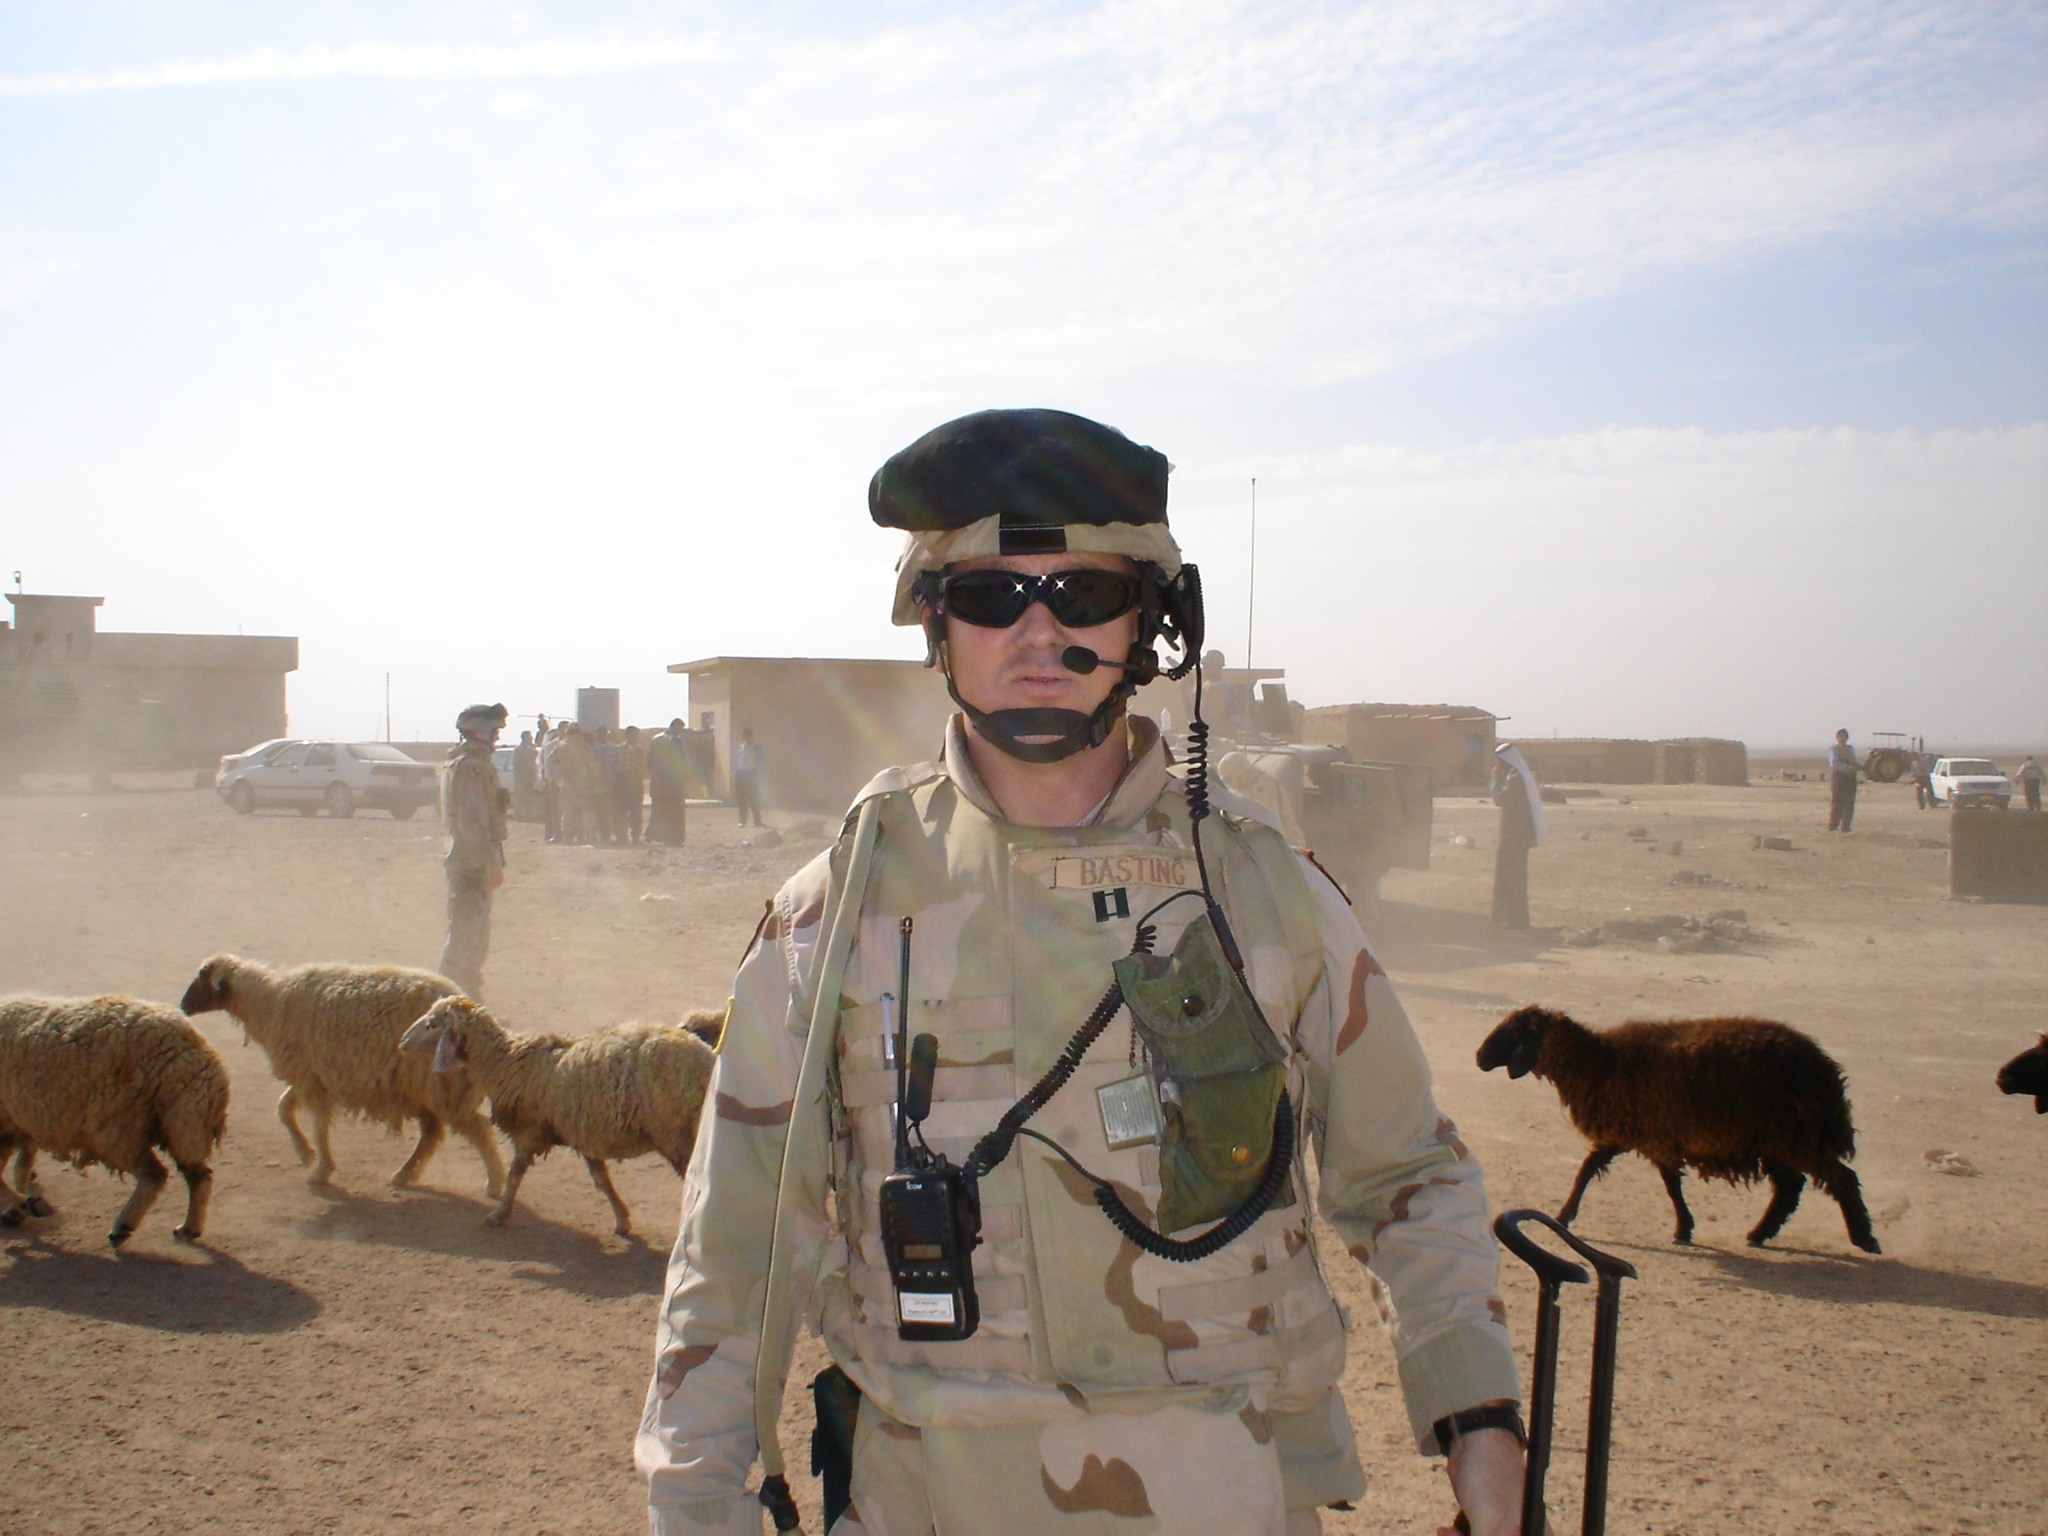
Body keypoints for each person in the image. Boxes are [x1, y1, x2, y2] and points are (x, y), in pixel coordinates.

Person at [638, 409, 1524, 1536]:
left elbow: (1406, 1173)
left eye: (1084, 595)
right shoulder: (838, 909)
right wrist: (697, 1504)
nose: (1038, 632)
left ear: (1153, 624)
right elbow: (737, 1249)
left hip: (1231, 1497)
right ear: (934, 624)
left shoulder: (1263, 891)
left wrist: (1476, 1418)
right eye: (992, 597)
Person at [441, 702, 508, 999]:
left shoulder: (470, 764)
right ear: (480, 731)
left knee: (473, 933)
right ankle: (450, 998)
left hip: (470, 859)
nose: (496, 737)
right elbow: (473, 821)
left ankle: (464, 996)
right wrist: (489, 862)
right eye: (494, 730)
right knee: (466, 935)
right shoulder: (471, 768)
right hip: (471, 862)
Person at [1491, 742, 1542, 929]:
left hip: (1513, 835)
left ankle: (1514, 920)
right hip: (1517, 834)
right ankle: (1512, 918)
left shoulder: (1515, 778)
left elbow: (1500, 799)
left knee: (1511, 877)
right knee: (1514, 876)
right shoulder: (1519, 776)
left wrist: (1496, 779)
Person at [646, 717, 692, 845]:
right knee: (675, 811)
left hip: (658, 783)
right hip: (673, 784)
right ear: (677, 727)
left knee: (658, 811)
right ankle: (674, 838)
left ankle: (652, 834)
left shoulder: (655, 739)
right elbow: (681, 761)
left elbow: (649, 761)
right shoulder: (676, 740)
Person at [1826, 728, 1859, 832]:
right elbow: (1834, 764)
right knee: (1837, 802)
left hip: (1850, 778)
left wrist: (1856, 767)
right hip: (1839, 777)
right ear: (1837, 737)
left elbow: (1853, 761)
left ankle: (1846, 826)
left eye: (1844, 736)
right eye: (1840, 736)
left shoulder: (1850, 749)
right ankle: (1833, 826)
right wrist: (1847, 767)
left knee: (1849, 802)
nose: (1842, 738)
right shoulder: (1833, 749)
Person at [732, 727, 765, 827]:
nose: (744, 737)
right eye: (743, 735)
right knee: (741, 799)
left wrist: (759, 775)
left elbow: (761, 762)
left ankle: (757, 820)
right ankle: (742, 820)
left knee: (754, 798)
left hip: (751, 774)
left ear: (750, 736)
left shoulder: (757, 748)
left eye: (746, 735)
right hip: (740, 774)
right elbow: (736, 761)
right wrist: (735, 773)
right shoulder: (739, 747)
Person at [512, 729, 541, 822]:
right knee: (521, 798)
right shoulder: (519, 750)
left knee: (529, 798)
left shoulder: (531, 749)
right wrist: (519, 777)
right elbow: (516, 764)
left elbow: (536, 757)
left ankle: (528, 816)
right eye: (529, 737)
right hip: (522, 778)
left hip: (530, 777)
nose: (531, 739)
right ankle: (520, 816)